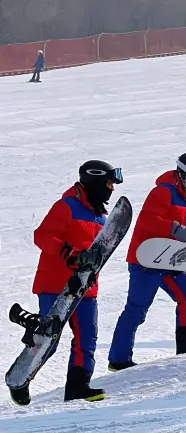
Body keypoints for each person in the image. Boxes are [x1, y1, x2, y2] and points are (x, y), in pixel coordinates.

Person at [108, 153, 186, 370]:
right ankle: (118, 360)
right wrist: (176, 229)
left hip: (168, 259)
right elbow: (148, 220)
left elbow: (177, 226)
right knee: (137, 309)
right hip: (146, 260)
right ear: (185, 175)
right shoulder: (163, 191)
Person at [32, 160, 124, 401]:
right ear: (93, 181)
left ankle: (78, 387)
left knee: (87, 338)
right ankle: (21, 378)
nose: (111, 189)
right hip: (55, 286)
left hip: (85, 289)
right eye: (108, 183)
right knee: (48, 341)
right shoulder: (66, 207)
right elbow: (42, 236)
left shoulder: (102, 218)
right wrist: (68, 252)